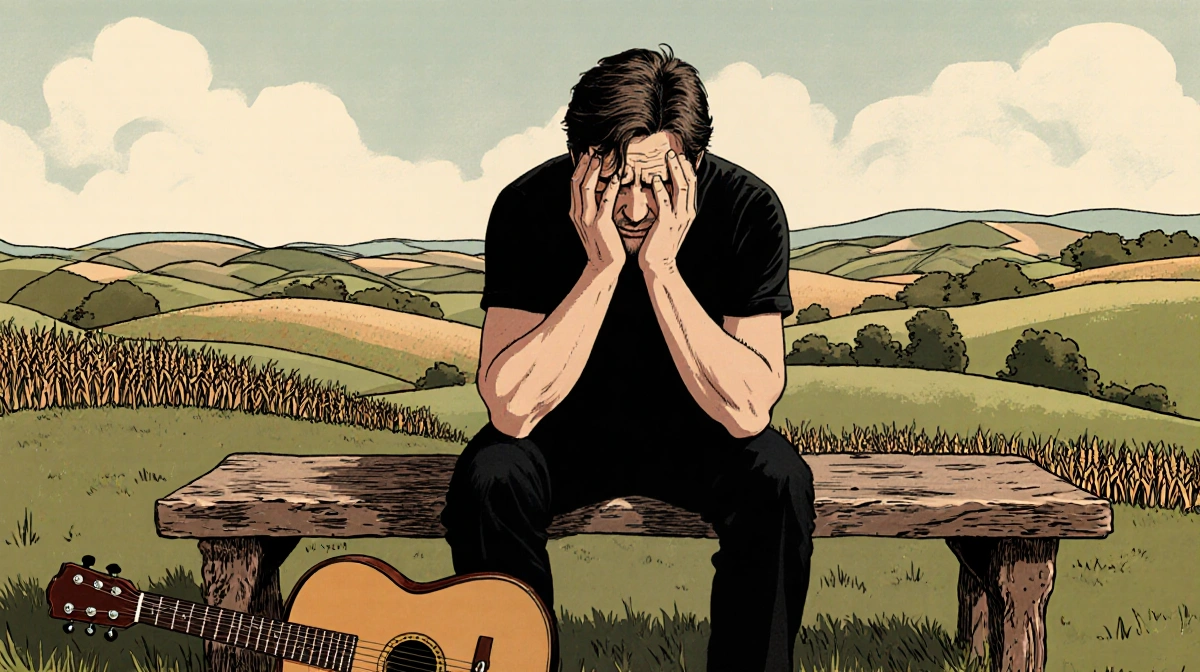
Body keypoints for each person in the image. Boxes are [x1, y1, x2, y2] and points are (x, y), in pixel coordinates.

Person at [440, 45, 816, 672]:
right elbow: (509, 407)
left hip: (700, 433)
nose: (635, 208)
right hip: (564, 434)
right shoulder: (526, 206)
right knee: (490, 477)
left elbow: (749, 408)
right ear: (579, 161)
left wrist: (662, 269)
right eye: (614, 180)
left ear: (694, 165)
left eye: (658, 182)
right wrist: (603, 265)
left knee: (777, 480)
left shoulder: (748, 209)